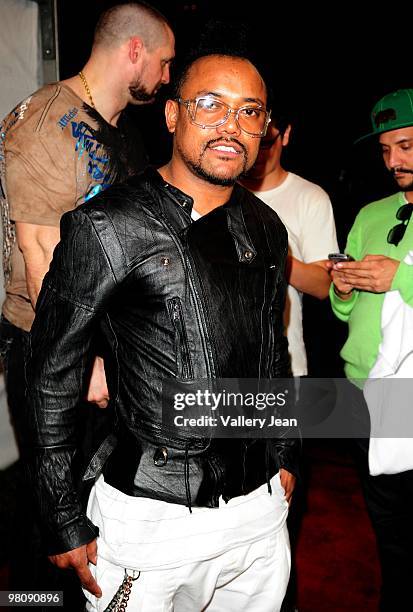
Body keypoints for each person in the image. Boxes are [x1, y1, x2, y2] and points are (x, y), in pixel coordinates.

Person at [25, 52, 299, 611]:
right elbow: (52, 370)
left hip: (259, 514)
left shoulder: (268, 227)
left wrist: (286, 452)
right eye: (210, 105)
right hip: (151, 518)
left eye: (250, 111)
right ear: (172, 115)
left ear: (266, 130)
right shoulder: (108, 226)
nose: (231, 125)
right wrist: (60, 514)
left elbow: (274, 352)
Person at [0, 0, 174, 596]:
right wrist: (86, 359)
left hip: (104, 345)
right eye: (165, 62)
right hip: (57, 351)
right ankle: (29, 600)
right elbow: (41, 255)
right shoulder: (47, 121)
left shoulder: (114, 130)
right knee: (52, 514)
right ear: (135, 52)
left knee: (92, 505)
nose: (168, 77)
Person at [330, 88, 413, 610]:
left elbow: (395, 282)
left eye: (405, 146)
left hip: (404, 390)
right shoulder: (371, 212)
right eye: (385, 151)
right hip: (359, 388)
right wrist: (343, 289)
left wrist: (399, 275)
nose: (393, 162)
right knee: (383, 519)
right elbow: (346, 309)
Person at [240, 109, 338, 377]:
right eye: (251, 141)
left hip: (285, 364)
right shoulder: (219, 192)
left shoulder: (310, 197)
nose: (258, 153)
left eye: (267, 143)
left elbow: (323, 286)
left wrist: (273, 255)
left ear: (286, 135)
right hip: (219, 363)